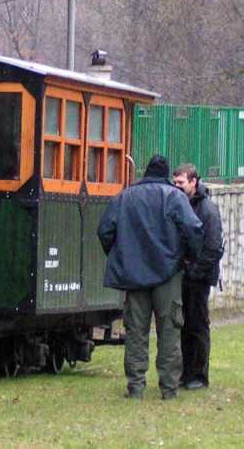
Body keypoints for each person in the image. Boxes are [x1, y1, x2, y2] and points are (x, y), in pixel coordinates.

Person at [97, 155, 203, 400]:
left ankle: (135, 387)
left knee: (136, 331)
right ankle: (169, 388)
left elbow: (104, 230)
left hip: (134, 275)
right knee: (170, 330)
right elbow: (194, 229)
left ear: (145, 173)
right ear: (166, 175)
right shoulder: (174, 197)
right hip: (168, 274)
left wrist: (121, 256)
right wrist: (187, 258)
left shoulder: (126, 197)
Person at [173, 164, 223, 390]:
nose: (177, 186)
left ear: (194, 182)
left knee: (198, 325)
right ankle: (186, 372)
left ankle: (199, 375)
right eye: (175, 182)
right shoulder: (182, 204)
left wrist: (195, 272)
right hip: (185, 275)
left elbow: (212, 247)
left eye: (181, 182)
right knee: (184, 325)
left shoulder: (207, 210)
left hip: (199, 278)